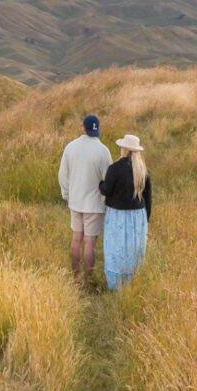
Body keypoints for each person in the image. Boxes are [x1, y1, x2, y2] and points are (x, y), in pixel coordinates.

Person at [58, 114, 112, 280]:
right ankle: (88, 279)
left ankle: (75, 276)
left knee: (76, 240)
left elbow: (63, 175)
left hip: (75, 202)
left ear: (83, 128)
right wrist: (105, 202)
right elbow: (108, 180)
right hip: (94, 205)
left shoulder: (71, 147)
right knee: (89, 243)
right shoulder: (103, 151)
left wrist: (67, 195)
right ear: (98, 129)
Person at [99, 133, 151, 290]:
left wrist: (101, 183)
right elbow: (148, 197)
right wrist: (145, 219)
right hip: (138, 216)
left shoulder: (115, 169)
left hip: (118, 216)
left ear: (123, 149)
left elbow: (106, 190)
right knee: (134, 250)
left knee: (116, 249)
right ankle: (132, 284)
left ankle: (115, 286)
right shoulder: (142, 170)